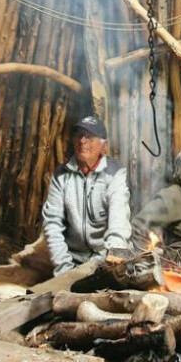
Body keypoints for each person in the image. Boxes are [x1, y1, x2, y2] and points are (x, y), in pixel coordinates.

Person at [41, 116, 131, 275]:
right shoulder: (62, 174)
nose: (82, 141)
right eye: (79, 135)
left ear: (103, 147)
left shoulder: (115, 173)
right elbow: (52, 223)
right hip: (73, 258)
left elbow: (119, 221)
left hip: (105, 257)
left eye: (89, 137)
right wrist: (64, 269)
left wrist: (111, 264)